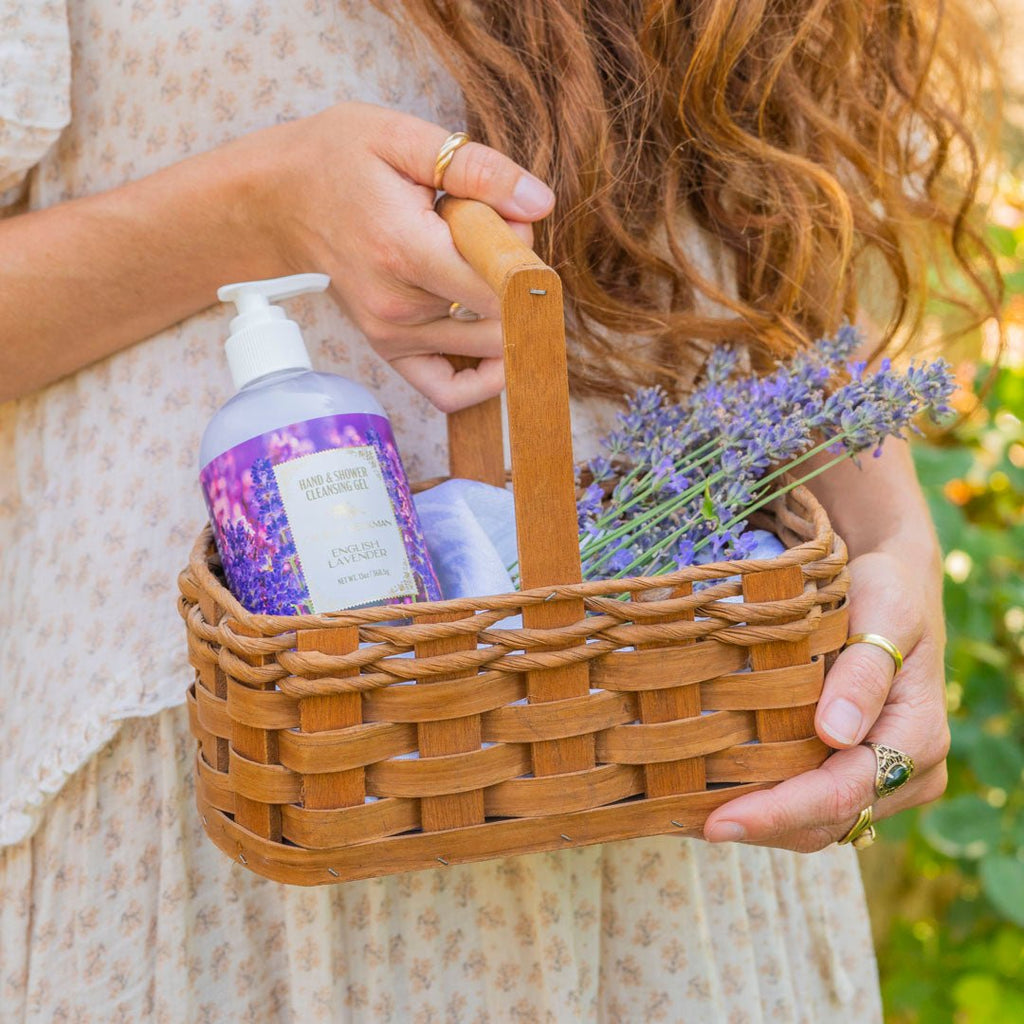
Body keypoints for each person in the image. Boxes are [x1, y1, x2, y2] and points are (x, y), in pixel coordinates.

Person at [0, 1, 998, 1020]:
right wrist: (258, 210)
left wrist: (889, 539)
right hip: (252, 791)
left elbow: (770, 231)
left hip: (672, 759)